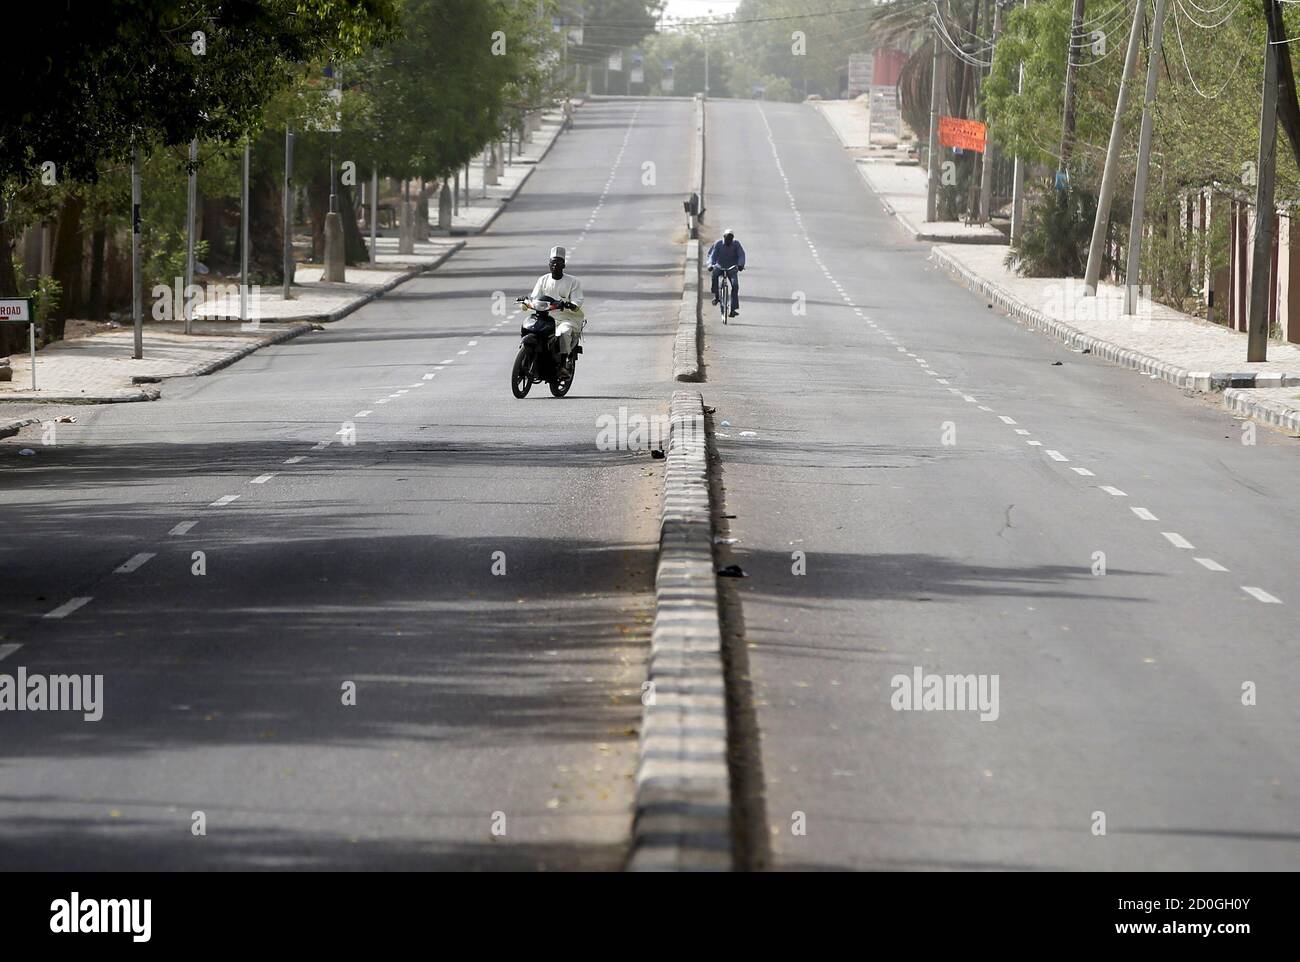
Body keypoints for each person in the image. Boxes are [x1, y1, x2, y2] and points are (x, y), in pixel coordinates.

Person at [528, 246, 585, 376]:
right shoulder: (542, 280)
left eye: (558, 263)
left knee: (563, 333)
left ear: (563, 265)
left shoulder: (573, 282)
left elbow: (578, 300)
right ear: (549, 264)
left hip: (567, 319)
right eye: (552, 262)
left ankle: (563, 364)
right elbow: (535, 297)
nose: (554, 265)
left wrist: (570, 304)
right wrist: (527, 302)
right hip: (545, 317)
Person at [706, 228, 745, 317]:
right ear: (724, 237)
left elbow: (741, 255)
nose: (729, 240)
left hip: (731, 268)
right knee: (714, 275)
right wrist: (710, 265)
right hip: (719, 267)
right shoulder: (718, 244)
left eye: (731, 238)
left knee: (735, 285)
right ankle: (716, 296)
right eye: (727, 238)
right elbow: (712, 256)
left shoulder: (736, 245)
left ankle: (733, 308)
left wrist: (740, 264)